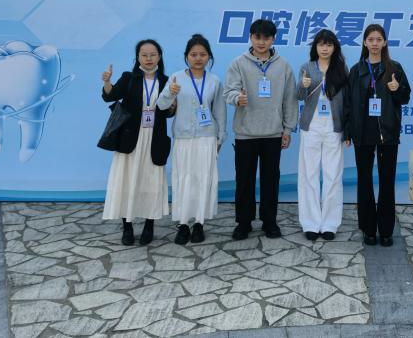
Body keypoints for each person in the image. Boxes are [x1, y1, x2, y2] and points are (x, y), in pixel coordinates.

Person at [223, 19, 297, 240]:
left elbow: (290, 99)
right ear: (250, 37)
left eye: (266, 38)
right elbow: (229, 91)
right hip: (245, 133)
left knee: (270, 180)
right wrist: (237, 98)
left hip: (273, 133)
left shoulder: (283, 65)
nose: (261, 42)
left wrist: (287, 129)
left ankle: (269, 222)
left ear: (273, 39)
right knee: (244, 180)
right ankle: (243, 223)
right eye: (257, 37)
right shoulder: (238, 63)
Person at [156, 34, 226, 245]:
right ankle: (183, 224)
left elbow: (220, 111)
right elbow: (161, 105)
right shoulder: (176, 78)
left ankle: (199, 224)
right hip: (184, 137)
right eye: (193, 54)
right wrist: (170, 93)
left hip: (207, 137)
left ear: (209, 57)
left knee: (203, 180)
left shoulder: (214, 81)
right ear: (186, 56)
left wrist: (220, 137)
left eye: (202, 54)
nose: (198, 58)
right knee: (183, 179)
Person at [101, 39, 171, 245]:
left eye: (153, 54)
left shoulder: (166, 81)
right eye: (144, 55)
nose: (149, 59)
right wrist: (107, 82)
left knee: (151, 182)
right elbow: (110, 96)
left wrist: (173, 101)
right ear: (137, 57)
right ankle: (127, 227)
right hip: (130, 139)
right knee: (127, 182)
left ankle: (149, 226)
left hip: (154, 139)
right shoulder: (129, 78)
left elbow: (168, 112)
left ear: (159, 57)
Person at [347, 24, 411, 247]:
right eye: (370, 39)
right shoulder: (356, 70)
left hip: (387, 133)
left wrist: (397, 89)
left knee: (387, 182)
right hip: (363, 133)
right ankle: (368, 229)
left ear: (385, 43)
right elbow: (348, 104)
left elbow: (405, 98)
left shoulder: (394, 68)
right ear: (365, 43)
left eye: (378, 39)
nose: (374, 43)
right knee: (364, 181)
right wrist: (348, 132)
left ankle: (385, 230)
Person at [297, 29, 350, 241]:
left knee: (333, 175)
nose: (325, 48)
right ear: (315, 47)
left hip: (333, 127)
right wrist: (303, 85)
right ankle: (310, 223)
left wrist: (347, 130)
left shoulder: (341, 68)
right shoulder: (307, 67)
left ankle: (330, 223)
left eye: (329, 44)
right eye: (321, 44)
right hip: (311, 126)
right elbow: (298, 95)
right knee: (308, 175)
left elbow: (347, 101)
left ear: (334, 47)